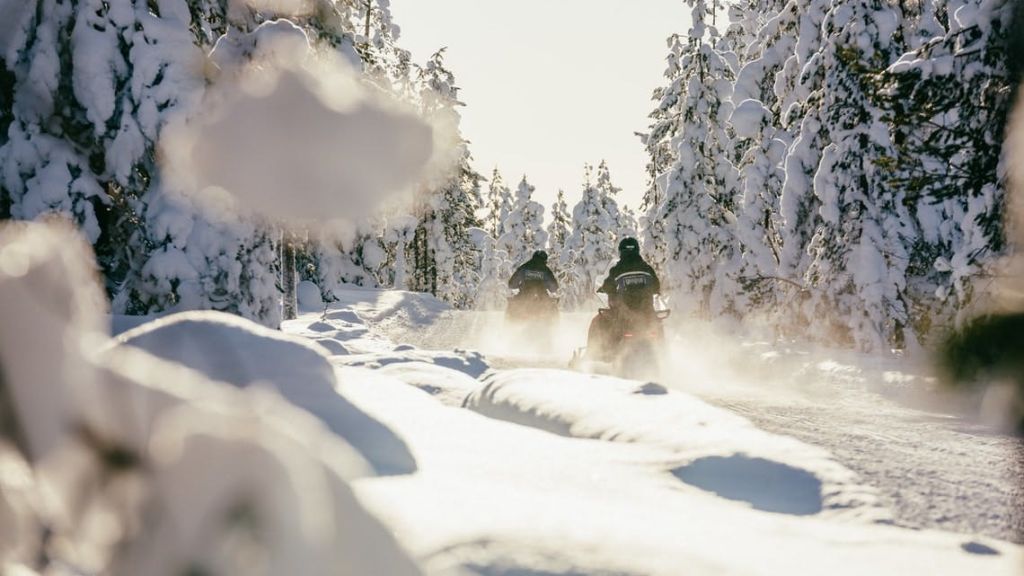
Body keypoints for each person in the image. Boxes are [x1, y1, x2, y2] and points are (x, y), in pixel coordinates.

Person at [587, 237, 661, 359]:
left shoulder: (618, 269)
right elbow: (657, 287)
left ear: (621, 251)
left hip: (624, 316)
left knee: (598, 321)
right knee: (657, 325)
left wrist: (604, 289)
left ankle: (594, 355)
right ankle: (663, 355)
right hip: (646, 314)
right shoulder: (647, 268)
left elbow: (608, 286)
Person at [507, 250, 559, 320]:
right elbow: (553, 288)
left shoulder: (524, 267)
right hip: (542, 299)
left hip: (523, 297)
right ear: (545, 260)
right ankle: (552, 328)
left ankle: (511, 326)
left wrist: (519, 286)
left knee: (512, 305)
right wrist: (547, 286)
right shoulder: (546, 270)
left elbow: (512, 284)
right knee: (553, 307)